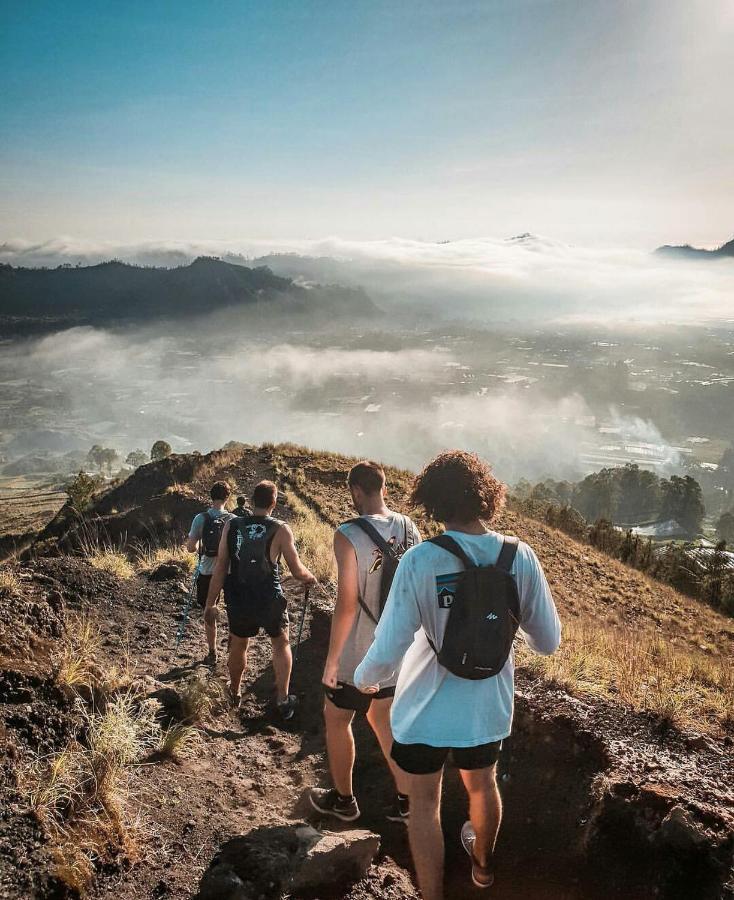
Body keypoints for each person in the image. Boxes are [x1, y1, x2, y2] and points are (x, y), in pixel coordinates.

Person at [354, 451, 561, 900]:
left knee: (424, 804)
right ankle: (483, 868)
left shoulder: (420, 560)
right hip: (487, 705)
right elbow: (547, 641)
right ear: (486, 496)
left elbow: (389, 646)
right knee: (483, 786)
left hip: (423, 710)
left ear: (433, 502)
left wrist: (364, 678)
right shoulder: (520, 556)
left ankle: (432, 895)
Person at [310, 461, 421, 824]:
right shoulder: (410, 528)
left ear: (356, 491)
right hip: (397, 651)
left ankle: (344, 801)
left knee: (337, 717)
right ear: (384, 488)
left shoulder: (347, 534)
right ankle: (407, 802)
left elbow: (345, 604)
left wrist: (331, 661)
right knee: (383, 717)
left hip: (359, 651)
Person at [204, 479, 317, 719]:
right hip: (269, 596)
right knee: (281, 643)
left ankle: (234, 691)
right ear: (273, 503)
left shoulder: (232, 525)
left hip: (238, 595)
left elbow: (221, 566)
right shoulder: (280, 529)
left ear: (252, 500)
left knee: (238, 643)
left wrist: (210, 602)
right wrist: (310, 578)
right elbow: (297, 571)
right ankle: (283, 700)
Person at [186, 481, 234, 665]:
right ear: (227, 498)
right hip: (229, 571)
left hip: (207, 570)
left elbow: (191, 548)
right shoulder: (233, 519)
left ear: (211, 496)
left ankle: (212, 652)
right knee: (232, 609)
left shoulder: (201, 518)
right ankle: (232, 645)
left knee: (209, 609)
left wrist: (199, 546)